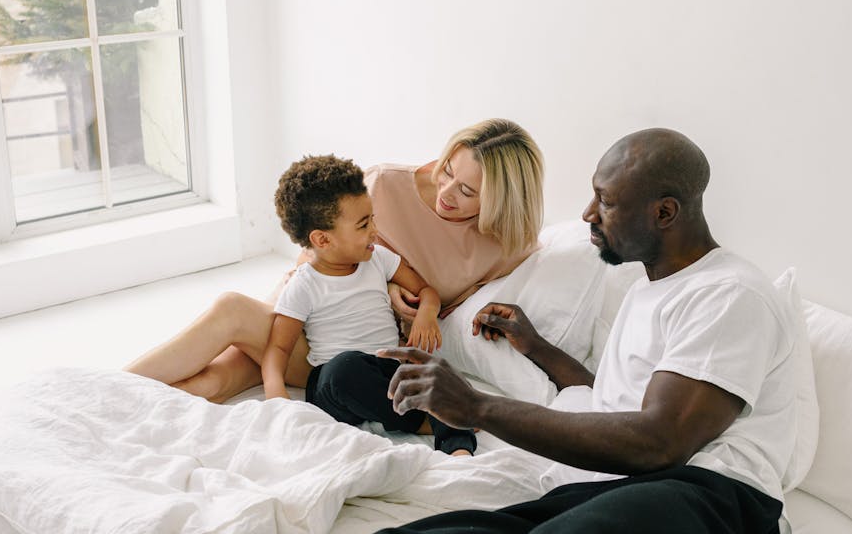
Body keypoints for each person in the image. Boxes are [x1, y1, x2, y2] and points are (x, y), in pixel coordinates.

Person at [327, 128, 800, 534]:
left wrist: (476, 408)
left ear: (664, 212)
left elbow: (661, 441)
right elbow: (610, 406)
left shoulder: (729, 293)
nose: (587, 215)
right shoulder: (646, 291)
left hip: (718, 508)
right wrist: (537, 347)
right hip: (613, 493)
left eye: (606, 201)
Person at [124, 119, 544, 406]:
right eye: (448, 169)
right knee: (215, 381)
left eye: (467, 192)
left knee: (231, 311)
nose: (446, 191)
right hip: (308, 312)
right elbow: (315, 255)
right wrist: (385, 285)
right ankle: (110, 397)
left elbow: (451, 309)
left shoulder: (505, 248)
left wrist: (412, 302)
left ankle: (106, 389)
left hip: (356, 351)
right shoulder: (384, 183)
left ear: (502, 200)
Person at [264, 154, 475, 455]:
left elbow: (425, 290)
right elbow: (278, 348)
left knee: (438, 377)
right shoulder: (304, 284)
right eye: (363, 225)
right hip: (335, 382)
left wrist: (427, 314)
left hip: (387, 372)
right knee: (345, 369)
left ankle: (458, 448)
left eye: (372, 218)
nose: (375, 231)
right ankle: (421, 422)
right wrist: (275, 394)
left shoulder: (379, 258)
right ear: (323, 240)